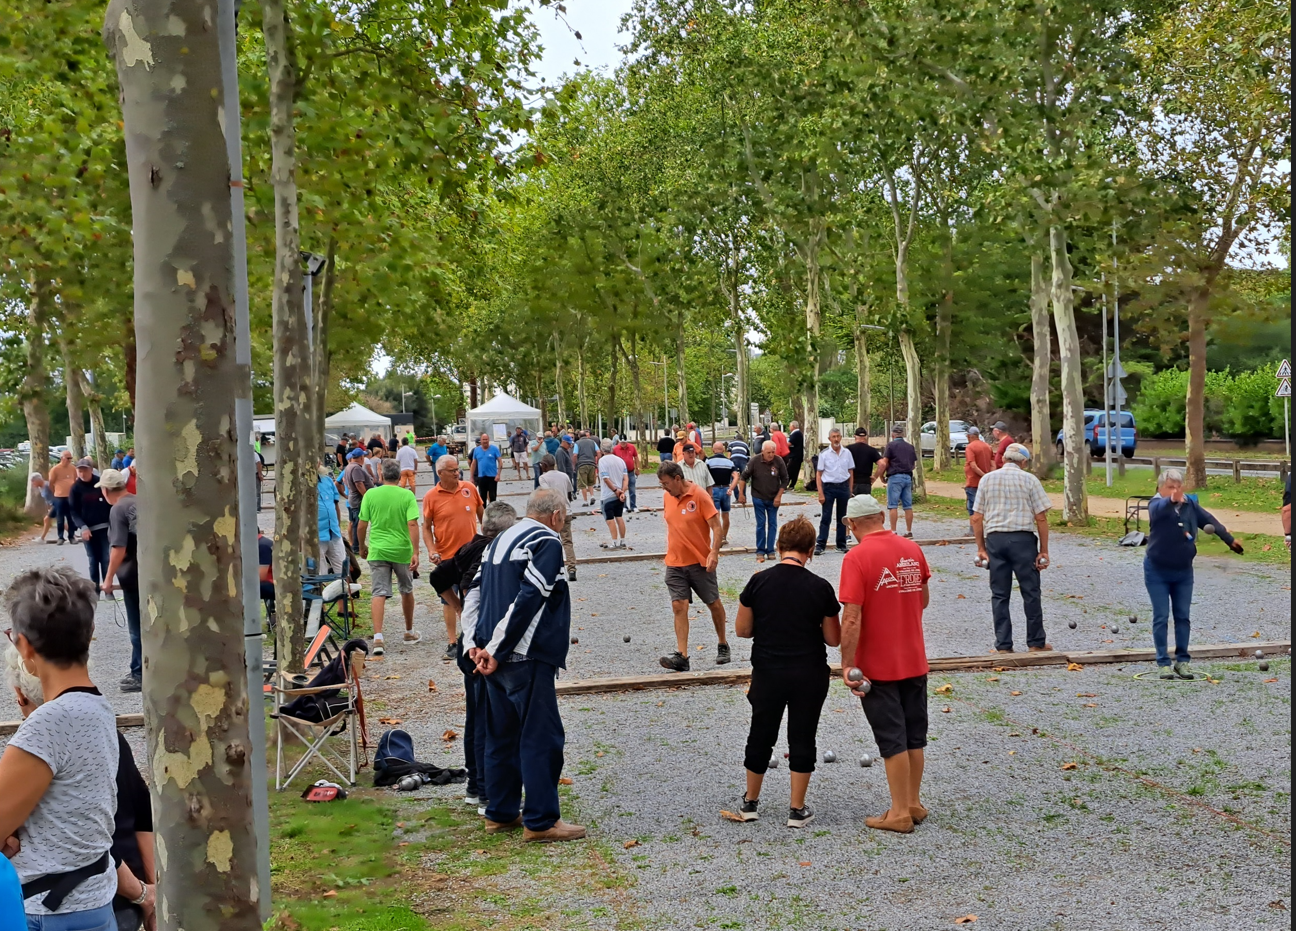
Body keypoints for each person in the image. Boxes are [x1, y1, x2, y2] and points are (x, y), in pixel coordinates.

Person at [0, 567, 120, 928]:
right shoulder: (97, 706)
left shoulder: (47, 724)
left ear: (24, 645)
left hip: (51, 910)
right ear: (91, 633)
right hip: (92, 897)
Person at [4, 647, 156, 931]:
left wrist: (145, 894)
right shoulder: (104, 729)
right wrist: (153, 892)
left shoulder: (34, 746)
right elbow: (141, 813)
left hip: (62, 903)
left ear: (20, 695)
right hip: (113, 898)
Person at [471, 488, 587, 843]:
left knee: (501, 735)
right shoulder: (546, 542)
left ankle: (501, 812)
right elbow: (531, 598)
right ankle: (541, 821)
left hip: (493, 655)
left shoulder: (499, 540)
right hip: (524, 654)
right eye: (564, 515)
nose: (564, 521)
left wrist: (475, 645)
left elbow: (474, 593)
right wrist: (497, 648)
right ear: (555, 516)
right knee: (541, 737)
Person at [731, 517, 841, 828]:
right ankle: (797, 808)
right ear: (810, 550)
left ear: (779, 547)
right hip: (809, 672)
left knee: (761, 734)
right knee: (803, 735)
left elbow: (742, 630)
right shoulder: (820, 587)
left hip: (768, 670)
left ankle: (750, 802)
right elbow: (833, 639)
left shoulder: (758, 582)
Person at [838, 495, 932, 834]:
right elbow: (922, 599)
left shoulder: (856, 557)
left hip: (878, 664)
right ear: (881, 516)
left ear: (851, 524)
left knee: (892, 738)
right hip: (913, 657)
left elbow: (851, 617)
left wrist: (847, 664)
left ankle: (898, 813)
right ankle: (913, 802)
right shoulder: (912, 549)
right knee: (914, 736)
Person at [428, 501, 519, 814]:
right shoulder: (490, 554)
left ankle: (474, 785)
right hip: (481, 647)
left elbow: (438, 576)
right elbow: (460, 585)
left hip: (472, 644)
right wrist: (460, 608)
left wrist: (456, 608)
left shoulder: (469, 547)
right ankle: (485, 791)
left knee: (477, 716)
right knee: (488, 719)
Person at [1145, 469, 1245, 680]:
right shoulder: (1155, 504)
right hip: (1157, 570)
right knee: (1161, 616)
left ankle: (1183, 662)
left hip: (1183, 571)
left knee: (1183, 616)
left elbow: (1209, 520)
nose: (1175, 491)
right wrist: (1170, 501)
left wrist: (1229, 539)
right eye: (1171, 487)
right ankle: (1163, 662)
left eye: (1178, 487)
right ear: (1160, 488)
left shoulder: (1189, 504)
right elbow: (1158, 511)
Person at [971, 443, 1053, 654]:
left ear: (1003, 459)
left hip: (995, 539)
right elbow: (1041, 517)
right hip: (1022, 540)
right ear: (1023, 462)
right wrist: (1043, 550)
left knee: (999, 594)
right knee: (1031, 592)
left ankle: (1004, 644)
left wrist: (981, 547)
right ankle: (1036, 642)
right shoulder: (1030, 480)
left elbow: (977, 517)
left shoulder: (987, 479)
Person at [656, 461, 729, 672]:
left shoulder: (699, 496)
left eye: (666, 483)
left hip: (700, 562)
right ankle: (682, 656)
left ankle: (723, 643)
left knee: (713, 603)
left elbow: (717, 526)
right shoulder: (667, 497)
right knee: (679, 605)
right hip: (675, 562)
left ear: (678, 479)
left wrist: (714, 552)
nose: (664, 488)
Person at [422, 454, 485, 661]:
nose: (457, 473)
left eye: (458, 469)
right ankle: (452, 641)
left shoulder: (469, 488)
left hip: (472, 554)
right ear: (440, 473)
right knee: (448, 600)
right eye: (452, 470)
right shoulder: (431, 496)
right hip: (447, 554)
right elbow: (426, 527)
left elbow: (483, 516)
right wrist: (431, 549)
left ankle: (473, 638)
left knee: (473, 596)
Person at [356, 459, 422, 657]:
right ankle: (409, 631)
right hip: (401, 549)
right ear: (400, 475)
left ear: (381, 475)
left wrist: (362, 545)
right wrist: (416, 551)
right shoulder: (407, 495)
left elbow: (361, 524)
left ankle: (378, 637)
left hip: (378, 549)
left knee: (379, 592)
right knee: (406, 589)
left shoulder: (371, 494)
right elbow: (412, 524)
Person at [97, 469, 142, 693]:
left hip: (133, 575)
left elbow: (118, 548)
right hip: (151, 573)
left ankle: (140, 674)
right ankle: (138, 667)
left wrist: (107, 580)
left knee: (136, 628)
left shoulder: (117, 510)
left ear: (105, 490)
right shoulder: (139, 501)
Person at [69, 458, 113, 597]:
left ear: (90, 470)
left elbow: (110, 503)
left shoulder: (100, 484)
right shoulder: (75, 488)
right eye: (79, 470)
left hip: (105, 527)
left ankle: (108, 589)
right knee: (93, 560)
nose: (82, 473)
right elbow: (73, 511)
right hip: (88, 529)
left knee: (106, 558)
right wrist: (82, 527)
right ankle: (95, 589)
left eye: (85, 470)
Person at [743, 441, 788, 564]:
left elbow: (785, 479)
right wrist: (741, 494)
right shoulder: (754, 461)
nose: (771, 455)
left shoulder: (779, 461)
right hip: (758, 496)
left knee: (773, 523)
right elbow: (743, 477)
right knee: (761, 523)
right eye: (768, 452)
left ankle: (770, 549)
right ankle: (760, 550)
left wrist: (779, 496)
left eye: (773, 452)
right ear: (763, 451)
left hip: (773, 497)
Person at [537, 455, 577, 581]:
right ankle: (571, 569)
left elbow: (546, 495)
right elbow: (570, 493)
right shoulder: (564, 476)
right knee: (567, 541)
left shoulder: (543, 478)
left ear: (544, 465)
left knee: (551, 542)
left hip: (552, 514)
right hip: (566, 511)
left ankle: (554, 569)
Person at [814, 428, 854, 555]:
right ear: (829, 439)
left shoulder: (847, 453)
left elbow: (851, 472)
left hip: (843, 487)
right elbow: (819, 474)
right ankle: (821, 544)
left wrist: (850, 490)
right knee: (826, 517)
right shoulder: (824, 454)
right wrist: (820, 493)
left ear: (841, 437)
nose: (836, 439)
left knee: (842, 517)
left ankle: (841, 544)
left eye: (838, 436)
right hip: (829, 487)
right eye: (833, 437)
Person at [877, 425, 918, 537]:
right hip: (908, 477)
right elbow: (913, 465)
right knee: (908, 506)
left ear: (892, 435)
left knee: (893, 505)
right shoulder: (910, 447)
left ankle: (893, 531)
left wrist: (881, 475)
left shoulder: (890, 446)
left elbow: (885, 462)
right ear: (903, 434)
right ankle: (909, 531)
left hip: (895, 476)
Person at [705, 441, 739, 547]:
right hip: (725, 489)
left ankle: (717, 537)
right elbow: (736, 476)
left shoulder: (708, 461)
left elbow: (705, 475)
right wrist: (731, 488)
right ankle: (724, 536)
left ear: (713, 450)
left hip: (714, 489)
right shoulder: (729, 462)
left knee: (716, 515)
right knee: (726, 514)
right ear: (723, 450)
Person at [596, 440, 629, 549]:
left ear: (602, 449)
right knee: (619, 517)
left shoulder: (602, 461)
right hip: (620, 495)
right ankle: (623, 540)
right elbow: (625, 478)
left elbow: (605, 478)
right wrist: (622, 491)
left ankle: (614, 542)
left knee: (610, 519)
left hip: (608, 494)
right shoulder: (620, 460)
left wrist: (615, 490)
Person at [342, 447, 376, 551]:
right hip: (358, 500)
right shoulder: (356, 468)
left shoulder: (349, 466)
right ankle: (356, 546)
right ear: (361, 457)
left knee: (355, 522)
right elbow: (359, 484)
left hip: (353, 499)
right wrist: (366, 497)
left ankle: (356, 545)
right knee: (358, 523)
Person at [962, 426, 994, 535]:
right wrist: (989, 476)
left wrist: (984, 476)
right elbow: (992, 463)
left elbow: (973, 465)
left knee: (972, 507)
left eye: (967, 435)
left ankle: (974, 530)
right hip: (986, 483)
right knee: (985, 505)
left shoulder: (970, 447)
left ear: (970, 436)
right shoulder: (987, 446)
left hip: (973, 482)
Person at [316, 461, 347, 575]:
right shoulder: (299, 483)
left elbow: (336, 505)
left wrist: (338, 526)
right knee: (320, 572)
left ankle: (342, 591)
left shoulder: (327, 480)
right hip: (316, 535)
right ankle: (319, 592)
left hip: (333, 531)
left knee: (342, 567)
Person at [48, 449, 77, 545]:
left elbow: (75, 479)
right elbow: (51, 483)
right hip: (59, 496)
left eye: (70, 458)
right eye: (67, 458)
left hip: (70, 496)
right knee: (60, 518)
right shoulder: (55, 469)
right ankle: (60, 537)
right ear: (62, 458)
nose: (69, 460)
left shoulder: (72, 468)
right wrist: (55, 493)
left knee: (71, 517)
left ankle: (71, 536)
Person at [846, 427, 882, 497]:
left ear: (855, 436)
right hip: (866, 482)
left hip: (852, 482)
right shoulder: (871, 450)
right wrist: (875, 476)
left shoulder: (848, 449)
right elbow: (882, 464)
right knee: (865, 506)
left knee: (852, 505)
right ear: (865, 437)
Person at [468, 434, 503, 504]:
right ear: (480, 440)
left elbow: (500, 462)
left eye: (486, 439)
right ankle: (483, 513)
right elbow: (473, 464)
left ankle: (492, 512)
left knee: (492, 496)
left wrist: (498, 474)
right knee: (482, 497)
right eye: (483, 440)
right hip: (481, 476)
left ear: (489, 440)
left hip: (492, 477)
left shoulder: (494, 449)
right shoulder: (476, 450)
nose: (485, 441)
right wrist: (472, 477)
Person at [573, 431, 600, 510]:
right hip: (592, 464)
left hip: (582, 464)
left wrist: (575, 464)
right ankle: (592, 496)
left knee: (582, 484)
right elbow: (598, 452)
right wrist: (597, 461)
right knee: (590, 482)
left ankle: (585, 501)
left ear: (579, 436)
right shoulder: (592, 442)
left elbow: (575, 454)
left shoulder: (577, 443)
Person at [612, 436, 639, 511]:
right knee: (622, 489)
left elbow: (636, 457)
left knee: (632, 489)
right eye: (622, 443)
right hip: (620, 473)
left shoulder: (632, 447)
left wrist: (638, 468)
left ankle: (633, 506)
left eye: (624, 442)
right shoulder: (615, 449)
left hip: (630, 471)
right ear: (619, 442)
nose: (623, 444)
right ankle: (624, 506)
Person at [29, 474, 57, 545]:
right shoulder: (40, 488)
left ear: (38, 480)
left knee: (46, 519)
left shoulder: (47, 485)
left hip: (57, 504)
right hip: (52, 505)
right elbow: (47, 499)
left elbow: (56, 493)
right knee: (59, 520)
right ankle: (72, 535)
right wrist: (49, 507)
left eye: (33, 481)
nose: (33, 483)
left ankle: (42, 538)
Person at [727, 435, 751, 505]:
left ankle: (737, 497)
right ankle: (743, 496)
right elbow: (748, 456)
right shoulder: (745, 445)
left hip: (733, 459)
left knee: (734, 478)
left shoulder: (731, 444)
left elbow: (729, 455)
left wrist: (729, 464)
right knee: (743, 478)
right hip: (743, 460)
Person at [257, 530, 276, 605]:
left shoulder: (262, 546)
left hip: (272, 583)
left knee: (244, 588)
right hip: (275, 582)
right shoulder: (264, 542)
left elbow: (261, 576)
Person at [785, 420, 804, 491]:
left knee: (790, 470)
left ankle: (787, 484)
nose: (789, 427)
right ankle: (791, 485)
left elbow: (789, 444)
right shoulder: (798, 433)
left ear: (793, 426)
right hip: (797, 455)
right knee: (794, 471)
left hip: (795, 456)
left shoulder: (796, 434)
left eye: (790, 426)